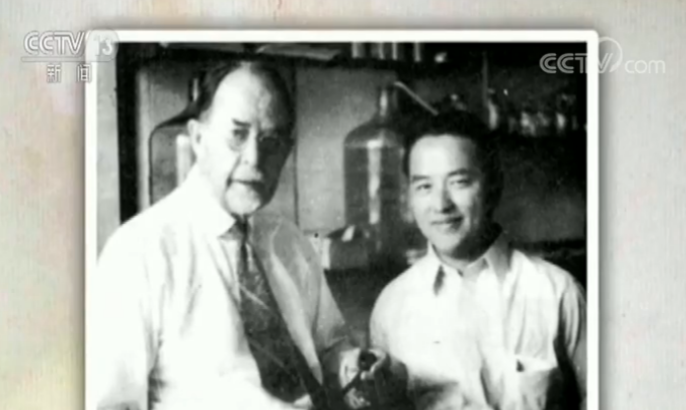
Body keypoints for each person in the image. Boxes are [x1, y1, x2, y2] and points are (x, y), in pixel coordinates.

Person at [92, 61, 378, 410]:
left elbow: (328, 351)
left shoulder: (289, 241)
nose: (255, 158)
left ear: (287, 151)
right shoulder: (139, 251)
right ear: (198, 138)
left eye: (271, 141)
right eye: (237, 135)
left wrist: (353, 367)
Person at [368, 112, 587, 410]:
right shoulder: (391, 307)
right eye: (424, 187)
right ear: (409, 197)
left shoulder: (558, 292)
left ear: (493, 187)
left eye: (459, 182)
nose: (441, 205)